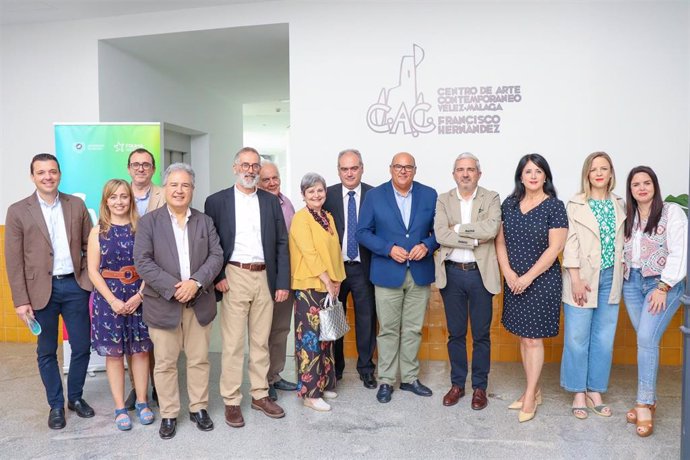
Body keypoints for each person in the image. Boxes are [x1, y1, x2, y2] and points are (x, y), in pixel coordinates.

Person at [5, 153, 95, 429]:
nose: (48, 177)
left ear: (59, 174)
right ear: (32, 176)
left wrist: (88, 282)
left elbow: (90, 245)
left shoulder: (76, 205)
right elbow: (14, 259)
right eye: (41, 172)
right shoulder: (18, 210)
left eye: (52, 171)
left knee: (81, 346)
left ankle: (75, 398)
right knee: (46, 351)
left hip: (74, 286)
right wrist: (21, 301)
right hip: (38, 292)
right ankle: (56, 405)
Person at [133, 163, 223, 440]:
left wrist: (195, 283)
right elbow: (142, 261)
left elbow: (216, 256)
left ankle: (199, 408)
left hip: (199, 301)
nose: (179, 190)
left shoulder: (204, 221)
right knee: (165, 363)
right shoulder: (149, 221)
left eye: (185, 185)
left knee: (198, 360)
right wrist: (175, 288)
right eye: (174, 184)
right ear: (166, 188)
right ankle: (169, 413)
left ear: (192, 190)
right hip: (163, 303)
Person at [204, 147, 289, 427]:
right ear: (235, 167)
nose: (250, 170)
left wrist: (282, 282)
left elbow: (281, 243)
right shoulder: (216, 201)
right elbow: (211, 243)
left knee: (261, 341)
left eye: (255, 166)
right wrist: (217, 276)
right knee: (232, 344)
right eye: (245, 165)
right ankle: (231, 400)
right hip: (234, 274)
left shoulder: (269, 201)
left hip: (265, 276)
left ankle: (260, 394)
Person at [357, 152, 439, 404]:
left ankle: (410, 378)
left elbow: (440, 230)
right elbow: (362, 232)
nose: (403, 171)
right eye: (398, 167)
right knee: (389, 330)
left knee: (413, 329)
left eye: (408, 167)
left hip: (419, 271)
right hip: (387, 271)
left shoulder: (430, 194)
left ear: (415, 170)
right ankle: (386, 380)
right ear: (390, 169)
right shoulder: (374, 196)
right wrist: (388, 248)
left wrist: (427, 245)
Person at [495, 153, 568, 423]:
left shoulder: (555, 206)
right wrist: (509, 273)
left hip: (542, 281)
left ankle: (529, 395)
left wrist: (527, 277)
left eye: (538, 171)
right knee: (524, 338)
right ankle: (534, 389)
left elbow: (555, 248)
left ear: (545, 176)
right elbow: (500, 242)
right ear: (521, 176)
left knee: (534, 339)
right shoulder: (510, 204)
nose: (533, 176)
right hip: (514, 281)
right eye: (528, 171)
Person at [622, 166, 687, 438]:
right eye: (636, 184)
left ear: (654, 185)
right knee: (646, 340)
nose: (642, 188)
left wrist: (664, 286)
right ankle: (650, 399)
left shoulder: (672, 212)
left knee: (647, 339)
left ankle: (644, 403)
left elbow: (680, 252)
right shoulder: (629, 215)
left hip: (661, 284)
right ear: (631, 190)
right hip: (631, 283)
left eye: (646, 183)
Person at [560, 152, 625, 420]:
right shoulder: (575, 203)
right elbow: (570, 242)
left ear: (611, 173)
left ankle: (595, 390)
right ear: (587, 174)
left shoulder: (620, 204)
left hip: (611, 277)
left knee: (604, 339)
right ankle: (577, 391)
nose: (599, 173)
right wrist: (575, 278)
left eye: (604, 168)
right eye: (594, 169)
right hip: (583, 277)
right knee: (577, 338)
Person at [434, 152, 501, 410]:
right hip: (452, 274)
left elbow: (492, 229)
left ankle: (480, 388)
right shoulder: (443, 199)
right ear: (454, 174)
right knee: (456, 333)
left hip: (480, 273)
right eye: (460, 169)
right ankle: (458, 384)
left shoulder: (491, 197)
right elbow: (441, 233)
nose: (465, 174)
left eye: (470, 169)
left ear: (478, 174)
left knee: (482, 335)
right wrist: (473, 237)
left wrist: (459, 229)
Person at [88, 179, 154, 431]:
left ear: (131, 199)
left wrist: (140, 295)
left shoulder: (142, 228)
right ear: (106, 201)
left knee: (140, 352)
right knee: (115, 355)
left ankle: (141, 401)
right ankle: (119, 407)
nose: (119, 201)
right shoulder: (98, 231)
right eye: (113, 197)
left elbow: (150, 265)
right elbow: (94, 271)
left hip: (140, 295)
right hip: (109, 299)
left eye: (124, 196)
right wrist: (113, 300)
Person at [289, 172, 346, 411]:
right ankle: (310, 393)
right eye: (310, 191)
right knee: (310, 341)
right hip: (309, 286)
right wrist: (326, 279)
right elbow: (310, 253)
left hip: (328, 286)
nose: (316, 194)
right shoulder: (301, 219)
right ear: (303, 195)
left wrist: (338, 280)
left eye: (320, 190)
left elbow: (335, 251)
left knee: (326, 339)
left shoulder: (328, 217)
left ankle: (322, 384)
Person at [323, 149, 378, 389]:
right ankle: (336, 369)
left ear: (362, 168)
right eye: (344, 169)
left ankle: (366, 368)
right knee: (335, 319)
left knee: (367, 318)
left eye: (354, 168)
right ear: (338, 171)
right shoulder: (328, 195)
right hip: (335, 270)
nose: (349, 173)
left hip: (364, 267)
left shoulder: (375, 195)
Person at [125, 147, 165, 410]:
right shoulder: (118, 193)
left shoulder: (165, 193)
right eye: (136, 164)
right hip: (126, 275)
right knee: (131, 339)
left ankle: (159, 387)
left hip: (158, 271)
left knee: (157, 339)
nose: (141, 168)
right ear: (129, 168)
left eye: (146, 164)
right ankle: (137, 389)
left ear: (153, 169)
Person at [258, 159, 298, 400]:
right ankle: (262, 380)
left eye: (275, 178)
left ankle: (275, 374)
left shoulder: (287, 203)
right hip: (263, 277)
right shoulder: (256, 205)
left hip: (286, 277)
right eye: (266, 179)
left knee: (281, 329)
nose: (273, 183)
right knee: (262, 331)